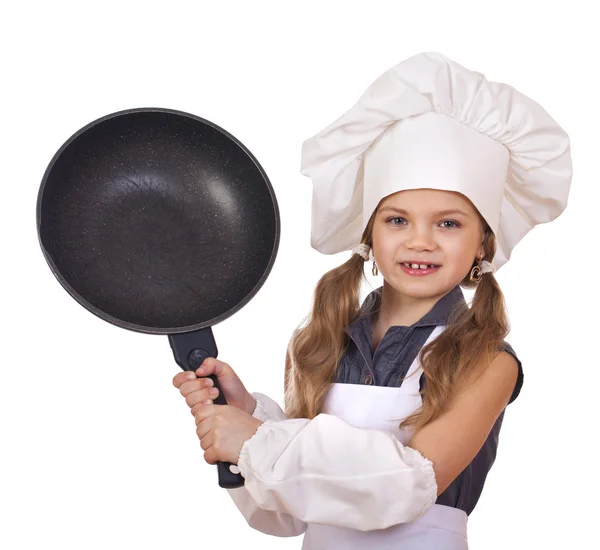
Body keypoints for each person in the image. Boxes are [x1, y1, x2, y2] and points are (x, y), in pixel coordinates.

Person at [172, 51, 572, 549]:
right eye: (397, 219)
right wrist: (248, 416)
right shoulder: (327, 344)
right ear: (369, 235)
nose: (419, 241)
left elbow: (407, 486)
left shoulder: (488, 363)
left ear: (482, 244)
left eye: (448, 223)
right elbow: (289, 514)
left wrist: (254, 441)